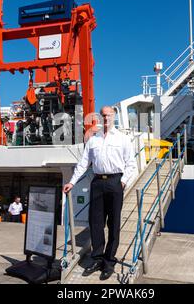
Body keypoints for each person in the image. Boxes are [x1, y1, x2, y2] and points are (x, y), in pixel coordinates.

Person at [63, 106, 138, 281]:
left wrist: (123, 181)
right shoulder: (93, 140)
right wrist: (72, 182)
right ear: (99, 117)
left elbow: (131, 164)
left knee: (113, 224)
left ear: (114, 116)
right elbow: (83, 163)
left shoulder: (123, 139)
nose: (106, 118)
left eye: (109, 115)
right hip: (96, 182)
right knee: (95, 222)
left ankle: (109, 262)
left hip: (115, 182)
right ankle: (97, 258)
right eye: (103, 115)